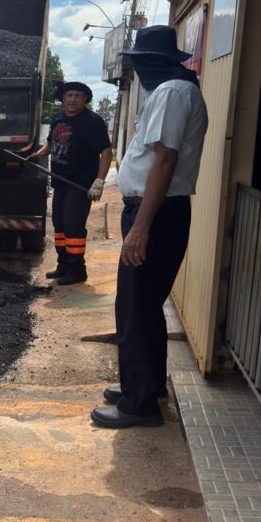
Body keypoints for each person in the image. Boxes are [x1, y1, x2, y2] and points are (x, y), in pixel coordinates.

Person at [91, 25, 208, 429]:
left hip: (155, 215)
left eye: (140, 63)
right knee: (143, 305)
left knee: (136, 308)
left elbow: (164, 160)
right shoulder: (174, 90)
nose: (138, 71)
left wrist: (141, 228)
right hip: (155, 213)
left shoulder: (174, 92)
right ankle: (146, 385)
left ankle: (139, 405)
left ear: (153, 63)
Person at [32, 81, 112, 284]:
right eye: (69, 95)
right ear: (63, 98)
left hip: (80, 184)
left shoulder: (92, 122)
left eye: (77, 96)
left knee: (73, 227)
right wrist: (39, 153)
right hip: (60, 182)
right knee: (59, 225)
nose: (73, 99)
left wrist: (99, 181)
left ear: (84, 99)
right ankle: (64, 265)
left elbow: (106, 151)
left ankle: (77, 270)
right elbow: (51, 142)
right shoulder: (59, 118)